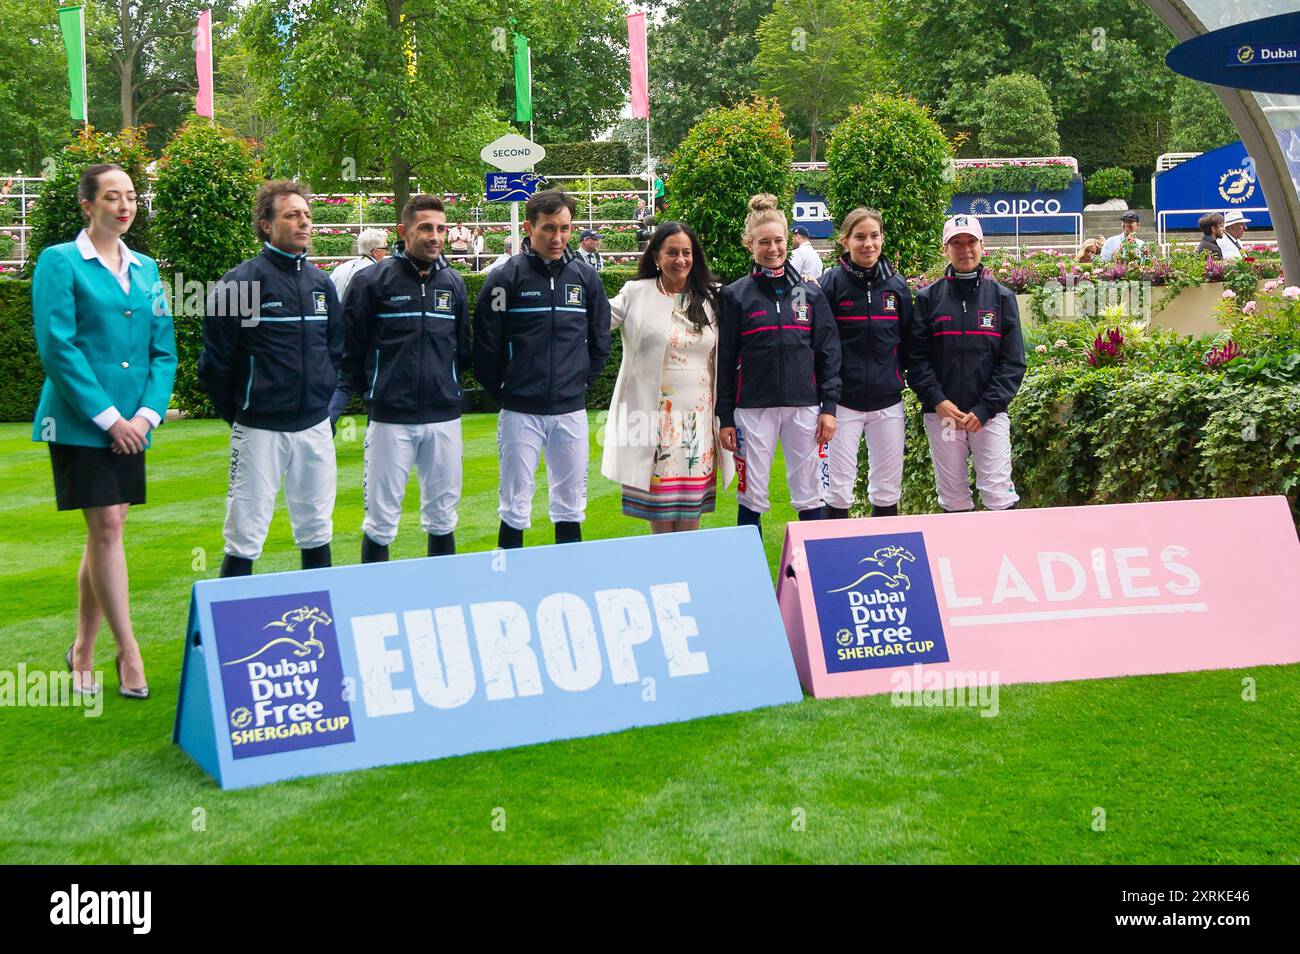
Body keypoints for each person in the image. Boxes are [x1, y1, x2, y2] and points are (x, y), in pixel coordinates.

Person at [31, 163, 176, 699]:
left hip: (135, 425)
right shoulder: (59, 262)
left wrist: (146, 416)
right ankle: (128, 652)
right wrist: (109, 418)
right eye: (111, 197)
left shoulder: (148, 269)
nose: (124, 205)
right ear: (86, 205)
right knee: (109, 528)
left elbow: (164, 350)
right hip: (77, 420)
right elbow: (58, 348)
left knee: (107, 531)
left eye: (131, 196)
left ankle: (82, 650)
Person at [198, 180, 344, 576]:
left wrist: (327, 411)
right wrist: (243, 414)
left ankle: (322, 628)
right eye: (292, 215)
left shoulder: (321, 283)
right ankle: (230, 635)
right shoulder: (241, 282)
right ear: (266, 224)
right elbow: (215, 364)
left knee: (316, 532)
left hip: (314, 427)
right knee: (244, 536)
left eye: (307, 215)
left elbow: (336, 352)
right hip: (259, 428)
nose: (304, 223)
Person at [473, 189, 611, 548]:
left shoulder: (585, 278)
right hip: (520, 411)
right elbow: (486, 346)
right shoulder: (504, 279)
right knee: (515, 506)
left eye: (565, 228)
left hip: (570, 409)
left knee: (570, 508)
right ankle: (509, 586)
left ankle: (569, 586)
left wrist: (579, 384)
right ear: (529, 227)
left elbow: (600, 343)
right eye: (549, 228)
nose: (557, 237)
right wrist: (505, 390)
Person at [339, 195, 469, 562]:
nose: (435, 236)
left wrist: (449, 386)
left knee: (443, 518)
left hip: (444, 416)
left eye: (441, 228)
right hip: (389, 418)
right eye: (425, 227)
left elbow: (463, 345)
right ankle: (374, 606)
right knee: (380, 521)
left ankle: (442, 602)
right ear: (403, 231)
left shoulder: (454, 283)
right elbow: (351, 348)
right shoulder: (371, 281)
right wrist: (378, 390)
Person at [716, 193, 842, 535]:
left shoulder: (809, 293)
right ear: (749, 244)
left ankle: (816, 573)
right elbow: (725, 360)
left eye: (778, 241)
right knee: (751, 494)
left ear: (788, 242)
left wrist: (828, 407)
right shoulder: (734, 295)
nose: (772, 249)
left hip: (804, 407)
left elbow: (828, 353)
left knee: (810, 493)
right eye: (763, 242)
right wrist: (725, 416)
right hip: (753, 409)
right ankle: (750, 578)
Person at [602, 222, 733, 531]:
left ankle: (688, 578)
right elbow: (595, 320)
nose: (680, 260)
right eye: (672, 252)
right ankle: (663, 578)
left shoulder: (713, 297)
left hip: (698, 423)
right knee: (660, 519)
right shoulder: (636, 293)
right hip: (653, 422)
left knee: (690, 519)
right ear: (656, 257)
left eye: (686, 252)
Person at [909, 214, 1025, 513]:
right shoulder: (927, 298)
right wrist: (938, 400)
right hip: (944, 416)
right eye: (956, 243)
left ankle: (1001, 558)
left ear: (982, 246)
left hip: (989, 415)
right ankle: (962, 559)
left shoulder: (1002, 298)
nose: (965, 250)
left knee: (999, 494)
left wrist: (986, 408)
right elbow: (916, 359)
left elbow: (1013, 363)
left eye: (971, 242)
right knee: (953, 497)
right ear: (944, 248)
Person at [817, 207, 911, 519]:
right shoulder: (829, 285)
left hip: (887, 403)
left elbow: (909, 342)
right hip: (843, 404)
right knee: (839, 490)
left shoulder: (897, 288)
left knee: (887, 488)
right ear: (845, 241)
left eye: (874, 235)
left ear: (882, 238)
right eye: (860, 237)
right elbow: (819, 345)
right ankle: (836, 560)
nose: (868, 243)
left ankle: (883, 551)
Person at [330, 228, 389, 302]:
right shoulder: (377, 273)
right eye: (386, 248)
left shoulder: (341, 268)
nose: (387, 252)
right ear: (376, 252)